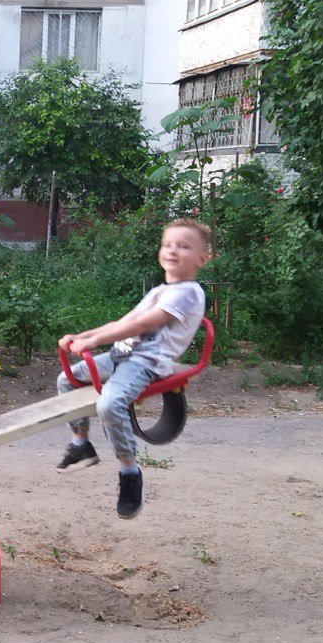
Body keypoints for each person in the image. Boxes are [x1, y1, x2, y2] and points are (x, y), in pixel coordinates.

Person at [54, 219, 210, 518]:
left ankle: (130, 473)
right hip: (122, 355)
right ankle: (81, 445)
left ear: (202, 259)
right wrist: (84, 336)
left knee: (111, 404)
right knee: (67, 379)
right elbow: (125, 323)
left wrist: (97, 340)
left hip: (146, 363)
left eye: (184, 246)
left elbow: (144, 324)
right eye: (168, 244)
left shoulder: (187, 292)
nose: (173, 250)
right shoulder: (159, 291)